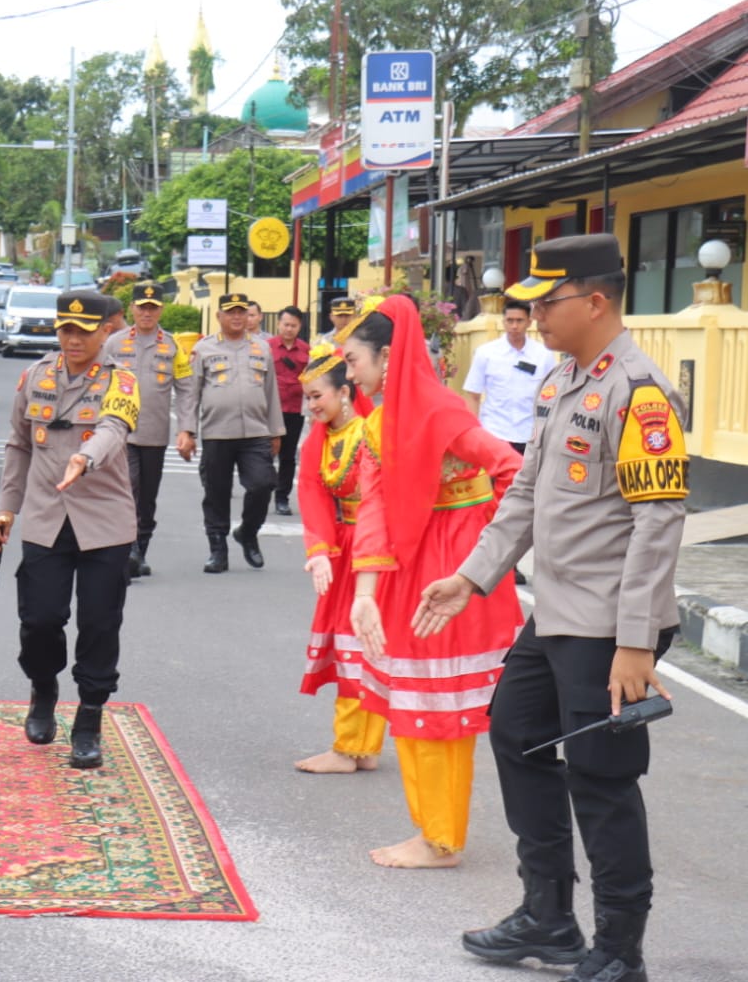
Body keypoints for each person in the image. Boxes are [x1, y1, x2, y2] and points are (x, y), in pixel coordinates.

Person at [418, 235, 686, 981]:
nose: (531, 315)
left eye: (545, 301)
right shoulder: (562, 380)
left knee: (600, 778)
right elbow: (527, 494)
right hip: (557, 612)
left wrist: (636, 643)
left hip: (607, 626)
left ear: (594, 301)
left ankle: (619, 950)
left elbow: (656, 522)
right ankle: (547, 916)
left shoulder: (638, 393)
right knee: (515, 734)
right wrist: (471, 576)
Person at [341, 294, 523, 868]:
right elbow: (371, 506)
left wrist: (482, 549)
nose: (349, 374)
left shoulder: (442, 412)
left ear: (388, 358)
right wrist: (364, 595)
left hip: (451, 572)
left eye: (353, 361)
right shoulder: (378, 424)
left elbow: (513, 472)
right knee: (415, 698)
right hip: (408, 568)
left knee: (439, 707)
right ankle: (430, 830)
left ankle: (442, 837)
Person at [0, 290, 139, 768]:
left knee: (99, 624)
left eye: (84, 329)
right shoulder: (35, 377)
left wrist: (84, 457)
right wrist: (7, 509)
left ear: (105, 331)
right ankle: (43, 688)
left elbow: (114, 429)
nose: (73, 338)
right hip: (43, 518)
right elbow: (18, 445)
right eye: (65, 329)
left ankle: (89, 717)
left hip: (104, 523)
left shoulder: (122, 380)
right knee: (39, 620)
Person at [293, 347, 385, 774]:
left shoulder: (371, 432)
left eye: (317, 397)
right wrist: (320, 551)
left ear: (344, 392)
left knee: (360, 643)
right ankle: (359, 746)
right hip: (345, 545)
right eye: (308, 398)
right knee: (356, 644)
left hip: (373, 547)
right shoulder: (322, 439)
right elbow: (311, 492)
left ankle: (350, 748)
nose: (311, 406)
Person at [182, 292, 284, 573]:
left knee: (263, 484)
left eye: (241, 311)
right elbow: (192, 394)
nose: (237, 317)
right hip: (217, 433)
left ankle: (248, 532)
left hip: (255, 432)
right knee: (216, 493)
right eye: (231, 312)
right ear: (219, 316)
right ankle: (218, 549)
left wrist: (276, 431)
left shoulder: (261, 348)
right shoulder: (204, 349)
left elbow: (271, 391)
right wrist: (187, 431)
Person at [103, 279, 194, 578]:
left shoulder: (171, 345)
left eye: (153, 308)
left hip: (155, 433)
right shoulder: (114, 344)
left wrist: (186, 429)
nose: (147, 313)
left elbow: (185, 387)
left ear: (161, 310)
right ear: (132, 308)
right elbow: (97, 382)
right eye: (142, 308)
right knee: (129, 486)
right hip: (119, 431)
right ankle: (126, 547)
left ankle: (141, 548)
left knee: (148, 496)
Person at [463, 298, 554, 455]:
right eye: (510, 320)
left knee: (525, 479)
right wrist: (473, 433)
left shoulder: (543, 355)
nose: (514, 326)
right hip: (494, 433)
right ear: (503, 322)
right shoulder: (486, 353)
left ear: (529, 322)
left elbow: (552, 396)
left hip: (530, 435)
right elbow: (473, 396)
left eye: (519, 321)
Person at [269, 305, 311, 516]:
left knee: (287, 456)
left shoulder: (306, 351)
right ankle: (261, 493)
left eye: (293, 325)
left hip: (294, 410)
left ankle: (282, 498)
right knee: (264, 454)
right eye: (286, 324)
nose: (289, 329)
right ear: (278, 324)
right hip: (268, 410)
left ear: (299, 326)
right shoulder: (266, 347)